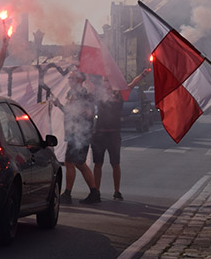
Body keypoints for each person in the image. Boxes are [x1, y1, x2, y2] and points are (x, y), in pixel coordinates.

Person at [92, 68, 150, 201]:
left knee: (115, 163)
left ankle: (117, 191)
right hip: (99, 133)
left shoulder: (120, 94)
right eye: (104, 80)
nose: (105, 83)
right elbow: (89, 84)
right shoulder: (99, 94)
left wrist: (143, 74)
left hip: (114, 134)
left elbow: (133, 84)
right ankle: (96, 191)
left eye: (107, 80)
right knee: (98, 163)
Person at [52, 70, 100, 204]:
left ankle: (68, 193)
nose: (69, 81)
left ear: (79, 80)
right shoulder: (71, 94)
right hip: (74, 133)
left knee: (71, 163)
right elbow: (69, 113)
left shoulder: (84, 95)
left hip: (80, 134)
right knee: (79, 163)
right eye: (69, 78)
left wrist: (75, 110)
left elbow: (88, 113)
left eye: (72, 78)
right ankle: (94, 192)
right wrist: (59, 105)